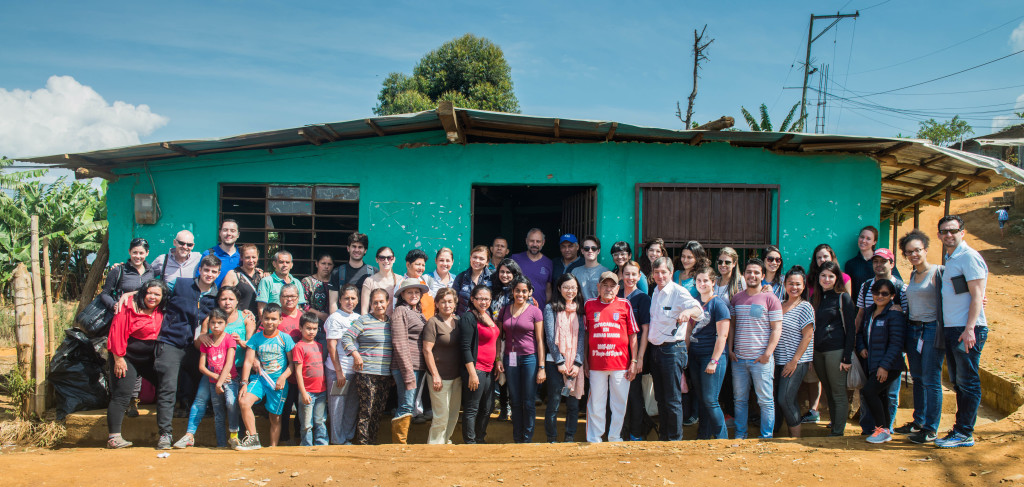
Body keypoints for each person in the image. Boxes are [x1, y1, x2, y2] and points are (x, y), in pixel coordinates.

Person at [117, 254, 220, 450]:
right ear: (199, 270)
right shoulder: (180, 284)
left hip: (196, 346)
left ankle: (193, 432)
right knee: (167, 389)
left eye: (214, 272)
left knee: (199, 385)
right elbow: (156, 291)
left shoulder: (216, 294)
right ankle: (165, 434)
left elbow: (226, 310)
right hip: (171, 342)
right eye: (206, 270)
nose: (209, 274)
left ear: (218, 273)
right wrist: (130, 294)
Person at [934, 215, 989, 449]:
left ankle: (965, 432)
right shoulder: (951, 258)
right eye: (944, 231)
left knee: (968, 382)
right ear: (939, 235)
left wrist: (969, 329)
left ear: (962, 232)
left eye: (953, 231)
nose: (949, 235)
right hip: (953, 327)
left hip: (966, 329)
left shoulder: (968, 257)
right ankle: (960, 429)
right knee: (958, 382)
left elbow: (978, 295)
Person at [105, 279, 169, 449]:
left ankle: (167, 429)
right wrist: (118, 358)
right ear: (143, 293)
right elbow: (116, 332)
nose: (152, 297)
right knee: (122, 395)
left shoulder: (162, 309)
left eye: (157, 294)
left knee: (167, 384)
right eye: (149, 293)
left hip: (149, 359)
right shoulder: (128, 307)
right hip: (126, 357)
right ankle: (114, 437)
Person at [896, 229, 945, 444]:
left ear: (925, 249)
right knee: (917, 378)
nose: (914, 254)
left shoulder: (939, 272)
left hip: (932, 329)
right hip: (914, 329)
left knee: (931, 380)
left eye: (917, 250)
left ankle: (931, 428)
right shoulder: (913, 275)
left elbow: (958, 293)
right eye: (909, 252)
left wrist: (979, 300)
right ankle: (918, 421)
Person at [649, 257, 703, 441]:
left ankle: (674, 440)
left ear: (671, 273)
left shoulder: (678, 292)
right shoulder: (655, 292)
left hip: (672, 350)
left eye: (663, 272)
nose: (660, 276)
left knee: (672, 399)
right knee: (660, 399)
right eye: (656, 272)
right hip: (656, 351)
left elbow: (699, 311)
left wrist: (687, 312)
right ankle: (664, 437)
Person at [728, 258, 783, 439]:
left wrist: (767, 354)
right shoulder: (737, 298)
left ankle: (766, 436)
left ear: (763, 275)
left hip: (761, 360)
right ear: (744, 275)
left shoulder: (771, 298)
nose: (752, 275)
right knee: (740, 400)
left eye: (756, 272)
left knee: (765, 401)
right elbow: (733, 326)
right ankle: (740, 434)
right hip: (739, 360)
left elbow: (776, 328)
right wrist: (730, 349)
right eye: (749, 272)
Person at [101, 237, 156, 418]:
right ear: (129, 252)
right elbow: (105, 294)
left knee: (136, 362)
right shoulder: (119, 271)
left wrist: (133, 294)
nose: (137, 256)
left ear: (147, 253)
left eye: (141, 253)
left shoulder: (151, 272)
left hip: (141, 325)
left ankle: (133, 400)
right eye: (134, 252)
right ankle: (118, 399)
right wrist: (114, 305)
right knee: (118, 360)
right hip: (121, 321)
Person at [854, 248, 906, 435]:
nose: (880, 296)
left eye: (885, 294)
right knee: (879, 395)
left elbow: (896, 342)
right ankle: (876, 430)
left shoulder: (896, 310)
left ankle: (885, 429)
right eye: (877, 293)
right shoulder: (869, 309)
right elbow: (860, 328)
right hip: (872, 359)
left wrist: (885, 365)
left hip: (889, 362)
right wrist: (860, 347)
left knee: (878, 393)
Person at [585, 272, 639, 443]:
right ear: (598, 288)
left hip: (621, 364)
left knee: (619, 403)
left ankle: (615, 437)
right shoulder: (589, 305)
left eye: (612, 286)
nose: (608, 289)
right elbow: (585, 335)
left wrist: (634, 361)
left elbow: (633, 335)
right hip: (596, 364)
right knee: (596, 403)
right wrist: (586, 362)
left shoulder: (625, 304)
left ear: (618, 288)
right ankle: (595, 439)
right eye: (605, 285)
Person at [174, 308, 238, 448]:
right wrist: (216, 378)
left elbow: (229, 362)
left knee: (230, 402)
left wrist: (219, 381)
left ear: (226, 323)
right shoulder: (206, 341)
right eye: (213, 323)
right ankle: (212, 441)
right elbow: (202, 366)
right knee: (214, 409)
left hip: (227, 379)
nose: (216, 326)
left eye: (219, 322)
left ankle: (234, 436)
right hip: (212, 379)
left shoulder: (229, 339)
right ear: (208, 324)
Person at [236, 303, 295, 450]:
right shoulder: (256, 338)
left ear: (280, 320)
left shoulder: (285, 338)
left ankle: (273, 448)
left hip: (278, 383)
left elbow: (292, 364)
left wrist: (283, 377)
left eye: (273, 319)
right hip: (260, 379)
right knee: (244, 402)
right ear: (261, 319)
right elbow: (249, 361)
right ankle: (253, 438)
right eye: (267, 318)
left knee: (275, 417)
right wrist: (244, 382)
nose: (270, 322)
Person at [342, 289, 395, 445]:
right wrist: (356, 355)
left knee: (378, 411)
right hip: (366, 373)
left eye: (381, 302)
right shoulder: (364, 320)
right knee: (367, 409)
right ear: (371, 304)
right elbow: (346, 338)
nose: (379, 305)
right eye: (375, 302)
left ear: (388, 302)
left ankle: (373, 442)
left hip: (385, 374)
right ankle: (364, 444)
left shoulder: (391, 322)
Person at [810, 260, 856, 436]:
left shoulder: (842, 297)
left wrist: (847, 357)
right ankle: (835, 424)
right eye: (823, 275)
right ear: (819, 277)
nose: (826, 279)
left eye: (831, 276)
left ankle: (838, 431)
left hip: (836, 351)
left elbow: (851, 329)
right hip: (818, 351)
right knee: (828, 391)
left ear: (837, 278)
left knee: (838, 392)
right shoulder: (816, 297)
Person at [499, 277, 546, 443]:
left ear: (529, 292)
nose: (520, 294)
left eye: (524, 291)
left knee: (528, 401)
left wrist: (541, 366)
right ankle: (517, 437)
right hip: (510, 359)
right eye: (517, 290)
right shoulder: (505, 310)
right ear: (512, 291)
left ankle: (527, 438)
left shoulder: (535, 312)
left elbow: (540, 340)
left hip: (529, 359)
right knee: (515, 400)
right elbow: (500, 337)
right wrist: (499, 358)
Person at [686, 266, 731, 440]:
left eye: (706, 280)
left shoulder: (718, 304)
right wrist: (687, 354)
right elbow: (689, 331)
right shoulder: (694, 302)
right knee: (702, 398)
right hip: (695, 356)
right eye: (699, 280)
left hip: (711, 357)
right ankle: (703, 436)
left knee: (711, 400)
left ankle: (722, 438)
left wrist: (714, 360)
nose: (702, 283)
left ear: (713, 282)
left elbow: (723, 336)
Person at [543, 273, 586, 443]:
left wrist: (577, 362)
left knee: (573, 404)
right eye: (566, 287)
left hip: (575, 364)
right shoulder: (550, 308)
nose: (570, 291)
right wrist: (560, 361)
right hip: (555, 363)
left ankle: (569, 437)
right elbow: (550, 337)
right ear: (559, 288)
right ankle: (552, 438)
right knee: (553, 402)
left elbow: (582, 337)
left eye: (573, 287)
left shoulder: (581, 309)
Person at [774, 266, 814, 438]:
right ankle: (779, 434)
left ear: (804, 286)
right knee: (777, 401)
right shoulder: (779, 304)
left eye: (798, 284)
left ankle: (796, 438)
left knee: (786, 399)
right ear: (784, 284)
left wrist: (794, 361)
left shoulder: (805, 307)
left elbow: (808, 335)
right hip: (776, 361)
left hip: (795, 362)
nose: (794, 287)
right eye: (790, 283)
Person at [460, 284, 501, 444]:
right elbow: (465, 347)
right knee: (472, 408)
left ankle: (479, 438)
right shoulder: (468, 317)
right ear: (472, 299)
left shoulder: (487, 315)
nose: (484, 302)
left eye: (487, 299)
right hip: (476, 369)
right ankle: (470, 442)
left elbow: (494, 340)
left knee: (487, 407)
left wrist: (497, 362)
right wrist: (471, 373)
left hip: (489, 369)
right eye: (480, 298)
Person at [390, 278, 429, 443]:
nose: (414, 295)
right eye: (409, 292)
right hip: (406, 366)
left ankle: (402, 442)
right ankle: (399, 444)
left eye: (417, 292)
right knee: (406, 405)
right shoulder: (400, 311)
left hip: (418, 366)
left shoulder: (418, 313)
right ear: (402, 295)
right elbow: (399, 343)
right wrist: (407, 373)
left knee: (410, 404)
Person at [422, 288, 462, 444]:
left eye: (450, 301)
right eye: (443, 302)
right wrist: (435, 375)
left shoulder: (458, 322)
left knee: (453, 415)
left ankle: (445, 442)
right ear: (437, 304)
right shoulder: (433, 322)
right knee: (441, 416)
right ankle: (434, 448)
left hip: (456, 377)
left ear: (455, 303)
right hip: (439, 377)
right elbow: (427, 350)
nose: (447, 305)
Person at [618, 261, 652, 441]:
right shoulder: (616, 296)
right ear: (621, 276)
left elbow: (645, 330)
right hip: (617, 354)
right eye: (627, 274)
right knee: (618, 395)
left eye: (634, 274)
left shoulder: (643, 298)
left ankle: (636, 433)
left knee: (634, 395)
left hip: (635, 353)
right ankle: (620, 432)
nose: (630, 278)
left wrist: (639, 358)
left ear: (639, 277)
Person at [324, 284, 361, 445]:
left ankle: (347, 437)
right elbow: (332, 347)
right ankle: (337, 440)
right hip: (338, 371)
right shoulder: (335, 318)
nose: (349, 302)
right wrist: (339, 372)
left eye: (353, 298)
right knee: (337, 408)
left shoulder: (359, 318)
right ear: (340, 300)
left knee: (352, 406)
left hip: (355, 371)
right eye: (346, 298)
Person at [276, 283, 304, 444]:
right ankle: (284, 438)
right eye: (285, 296)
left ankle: (300, 436)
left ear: (298, 298)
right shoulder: (275, 316)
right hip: (281, 371)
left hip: (301, 372)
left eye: (292, 296)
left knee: (301, 406)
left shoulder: (304, 316)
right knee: (284, 407)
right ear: (280, 299)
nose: (289, 299)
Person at [293, 312, 327, 446]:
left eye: (314, 329)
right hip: (307, 392)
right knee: (307, 424)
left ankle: (322, 444)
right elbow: (298, 372)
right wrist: (303, 392)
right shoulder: (299, 347)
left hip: (321, 391)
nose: (311, 332)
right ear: (301, 328)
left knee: (320, 420)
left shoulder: (319, 346)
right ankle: (307, 445)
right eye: (308, 328)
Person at [844, 226, 902, 296]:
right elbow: (850, 289)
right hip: (861, 304)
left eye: (868, 238)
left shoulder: (885, 260)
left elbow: (897, 282)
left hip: (883, 302)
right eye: (862, 237)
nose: (863, 241)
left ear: (874, 242)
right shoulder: (850, 264)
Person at [328, 233, 376, 313]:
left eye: (360, 247)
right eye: (354, 246)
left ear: (365, 250)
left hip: (367, 321)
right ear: (348, 248)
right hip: (343, 321)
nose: (356, 250)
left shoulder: (373, 272)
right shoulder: (337, 273)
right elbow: (333, 303)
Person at [510, 228, 554, 310]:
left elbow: (548, 291)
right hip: (516, 311)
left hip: (540, 311)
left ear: (543, 243)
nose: (534, 244)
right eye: (532, 241)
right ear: (526, 241)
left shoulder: (548, 263)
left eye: (538, 241)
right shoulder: (515, 259)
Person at [221, 244, 265, 317]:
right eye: (247, 257)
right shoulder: (233, 274)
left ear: (257, 257)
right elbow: (223, 298)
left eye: (253, 257)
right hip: (240, 319)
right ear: (241, 257)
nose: (251, 260)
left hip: (259, 319)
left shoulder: (261, 275)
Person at [392, 249, 437, 319]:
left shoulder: (422, 280)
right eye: (418, 264)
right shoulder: (402, 284)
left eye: (423, 265)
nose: (421, 268)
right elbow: (396, 311)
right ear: (408, 265)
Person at [195, 219, 241, 287]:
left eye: (232, 231)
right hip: (211, 297)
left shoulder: (243, 255)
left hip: (235, 297)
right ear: (220, 233)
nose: (228, 233)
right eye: (225, 230)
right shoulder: (209, 254)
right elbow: (198, 279)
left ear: (238, 234)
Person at [453, 245, 492, 315]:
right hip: (463, 320)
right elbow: (453, 300)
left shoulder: (492, 278)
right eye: (475, 257)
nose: (477, 261)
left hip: (484, 321)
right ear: (470, 258)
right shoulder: (461, 277)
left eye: (481, 259)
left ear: (487, 261)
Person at [361, 246, 401, 315]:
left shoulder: (400, 280)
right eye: (382, 258)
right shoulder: (369, 281)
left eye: (389, 258)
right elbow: (364, 310)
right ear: (377, 259)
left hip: (395, 323)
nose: (386, 261)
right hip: (374, 323)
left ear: (394, 259)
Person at [571, 235, 610, 301]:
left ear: (598, 251)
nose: (590, 251)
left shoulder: (605, 272)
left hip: (597, 310)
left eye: (593, 248)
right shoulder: (575, 271)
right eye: (586, 248)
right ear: (582, 251)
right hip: (578, 310)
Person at [302, 252, 334, 323]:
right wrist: (321, 315)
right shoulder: (307, 282)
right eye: (323, 263)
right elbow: (303, 305)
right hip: (312, 323)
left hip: (332, 323)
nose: (326, 267)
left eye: (329, 264)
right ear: (316, 263)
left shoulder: (335, 282)